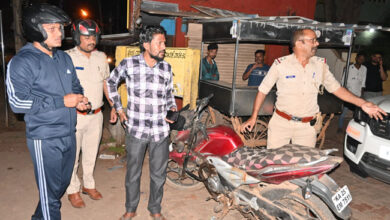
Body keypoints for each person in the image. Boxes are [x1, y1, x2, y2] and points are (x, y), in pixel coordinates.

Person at [6, 4, 89, 219]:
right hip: (44, 137)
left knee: (56, 189)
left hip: (68, 134)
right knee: (51, 197)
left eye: (60, 28)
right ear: (36, 30)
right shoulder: (22, 62)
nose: (59, 33)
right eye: (52, 28)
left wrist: (80, 100)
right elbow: (17, 103)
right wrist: (62, 101)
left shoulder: (63, 58)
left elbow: (75, 87)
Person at [240, 28, 386, 149]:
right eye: (313, 40)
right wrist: (253, 117)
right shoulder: (280, 65)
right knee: (277, 166)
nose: (317, 43)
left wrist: (362, 103)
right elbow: (263, 90)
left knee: (304, 168)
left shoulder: (320, 65)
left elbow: (336, 89)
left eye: (316, 40)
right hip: (281, 124)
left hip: (307, 128)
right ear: (299, 43)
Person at [106, 25, 176, 220]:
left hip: (160, 131)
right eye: (159, 43)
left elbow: (169, 95)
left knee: (158, 175)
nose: (164, 46)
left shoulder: (166, 68)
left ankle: (154, 209)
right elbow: (110, 82)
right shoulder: (129, 64)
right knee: (133, 174)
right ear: (146, 44)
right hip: (136, 130)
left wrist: (172, 109)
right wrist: (119, 108)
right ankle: (131, 208)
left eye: (164, 42)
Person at [65, 19, 114, 208]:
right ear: (77, 37)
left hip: (97, 115)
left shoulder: (101, 56)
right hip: (74, 116)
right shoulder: (66, 57)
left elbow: (106, 83)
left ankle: (89, 185)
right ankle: (73, 190)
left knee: (91, 153)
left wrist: (114, 106)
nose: (91, 40)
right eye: (86, 36)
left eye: (93, 36)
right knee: (73, 155)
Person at [338, 53, 367, 132]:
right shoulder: (349, 68)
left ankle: (354, 129)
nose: (361, 61)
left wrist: (362, 95)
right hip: (349, 94)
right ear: (356, 58)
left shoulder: (364, 69)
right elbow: (343, 81)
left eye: (363, 59)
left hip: (358, 95)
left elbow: (363, 83)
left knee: (357, 114)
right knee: (344, 112)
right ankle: (340, 127)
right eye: (360, 59)